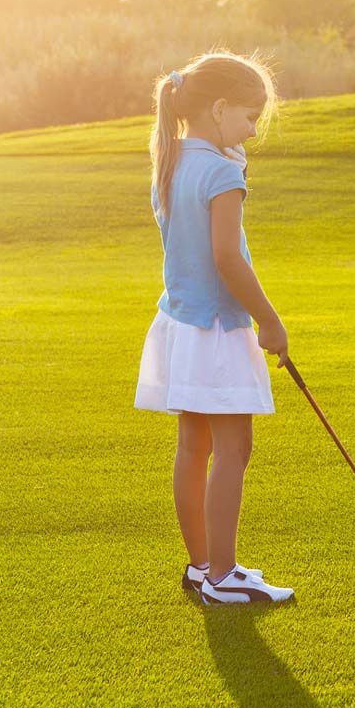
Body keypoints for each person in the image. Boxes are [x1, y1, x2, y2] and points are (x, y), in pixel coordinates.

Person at [136, 51, 296, 604]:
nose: (253, 131)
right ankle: (224, 578)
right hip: (220, 329)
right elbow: (229, 257)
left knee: (193, 444)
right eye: (250, 118)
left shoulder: (172, 160)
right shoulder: (222, 172)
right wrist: (270, 321)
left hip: (181, 325)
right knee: (234, 447)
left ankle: (203, 566)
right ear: (220, 108)